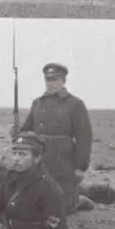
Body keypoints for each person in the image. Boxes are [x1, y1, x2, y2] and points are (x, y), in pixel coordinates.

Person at [19, 63, 93, 215]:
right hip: (41, 157)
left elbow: (84, 137)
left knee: (63, 206)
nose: (50, 83)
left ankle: (77, 201)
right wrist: (17, 132)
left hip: (63, 160)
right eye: (47, 80)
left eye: (54, 79)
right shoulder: (38, 103)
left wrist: (80, 167)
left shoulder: (75, 104)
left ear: (63, 81)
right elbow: (27, 130)